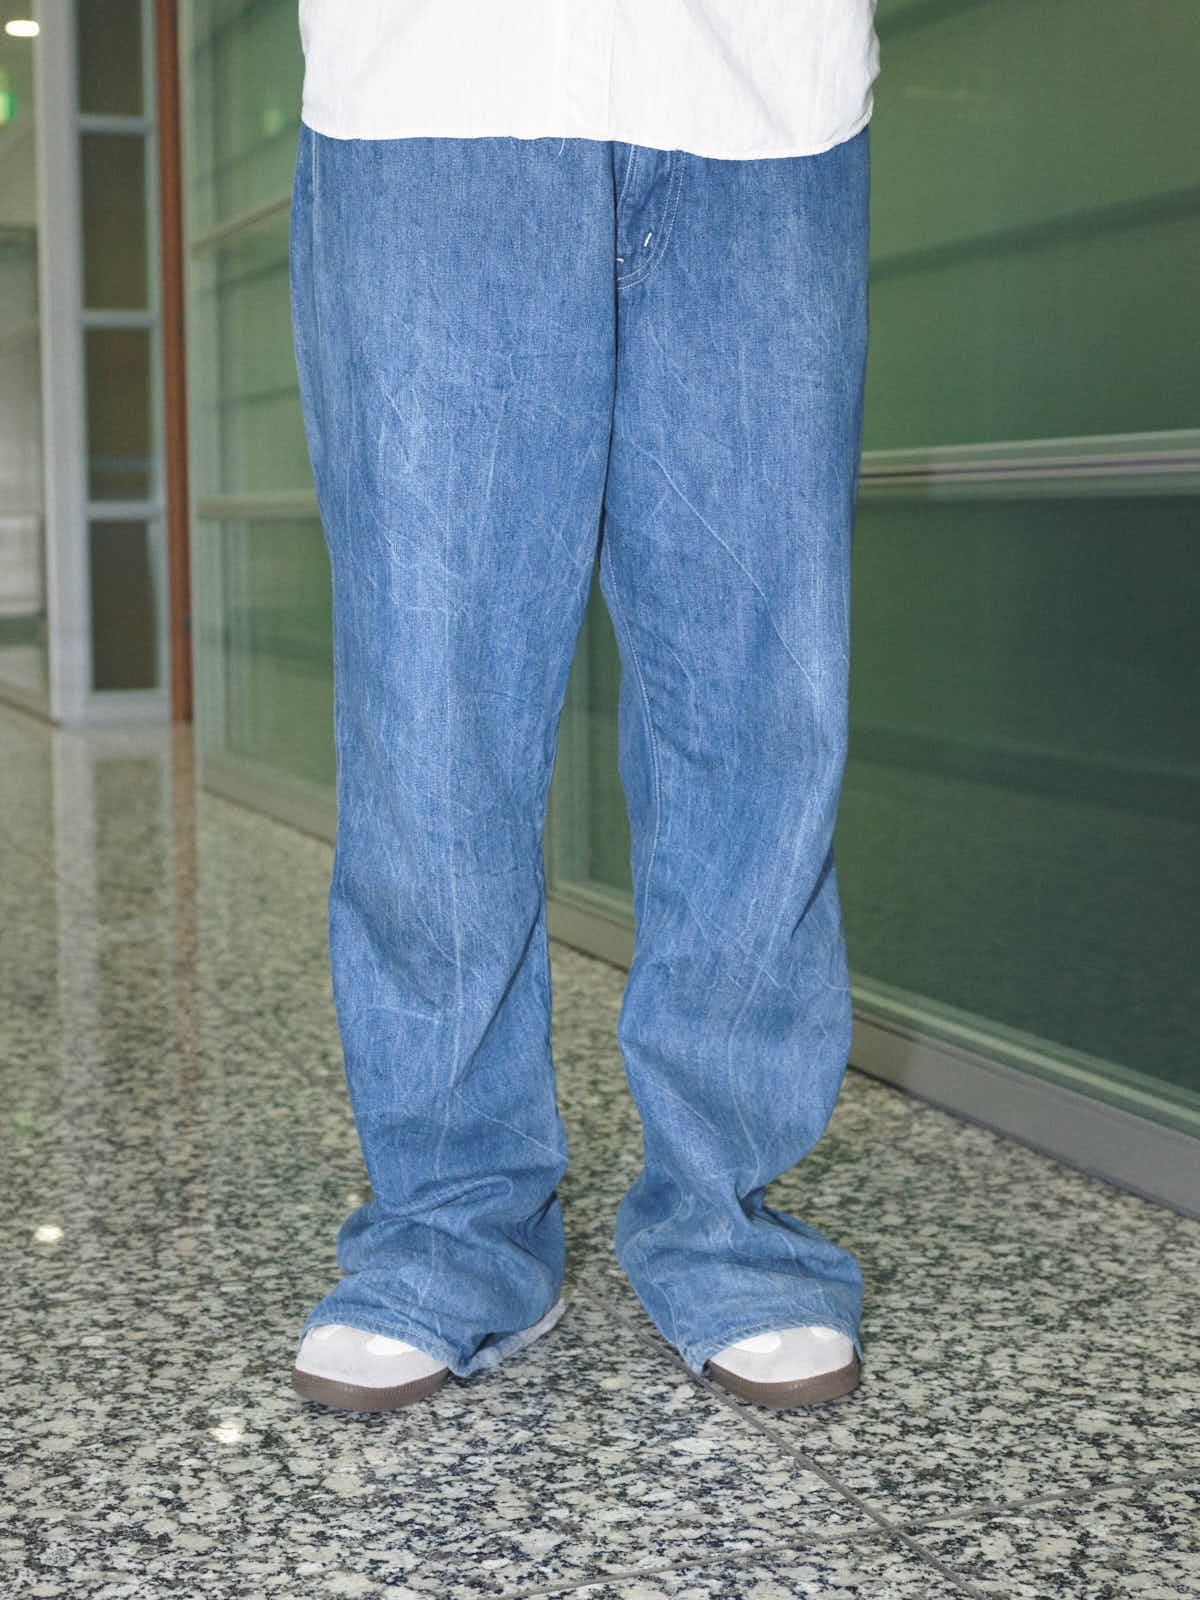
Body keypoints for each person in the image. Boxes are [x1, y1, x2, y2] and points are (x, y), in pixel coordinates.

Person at [287, 0, 881, 1414]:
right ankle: (450, 1226)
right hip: (431, 87)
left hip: (765, 94)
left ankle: (728, 1221)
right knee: (432, 702)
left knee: (759, 698)